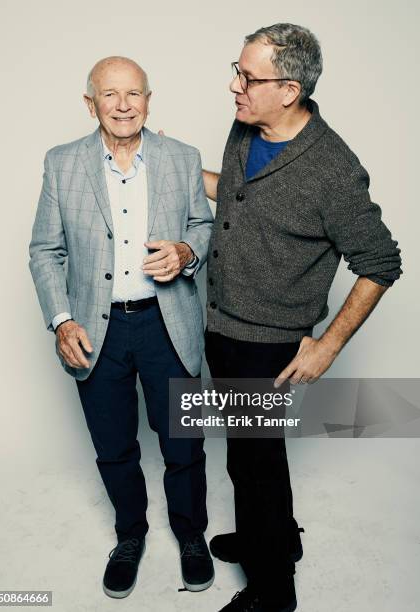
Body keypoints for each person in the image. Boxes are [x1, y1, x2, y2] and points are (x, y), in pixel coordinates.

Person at [202, 24, 402, 612]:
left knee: (255, 461)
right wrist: (172, 170)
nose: (233, 85)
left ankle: (272, 593)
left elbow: (380, 261)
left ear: (288, 89)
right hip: (223, 324)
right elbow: (240, 198)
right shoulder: (247, 129)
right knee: (251, 453)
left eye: (247, 76)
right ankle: (278, 541)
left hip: (268, 344)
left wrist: (329, 345)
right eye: (236, 69)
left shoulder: (333, 169)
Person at [29, 56, 214, 599]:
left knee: (184, 442)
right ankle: (130, 535)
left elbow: (203, 226)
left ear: (149, 100)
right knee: (113, 445)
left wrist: (186, 252)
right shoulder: (62, 163)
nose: (124, 104)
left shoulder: (183, 158)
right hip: (96, 330)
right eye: (111, 94)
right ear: (92, 104)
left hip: (167, 323)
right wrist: (62, 321)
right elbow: (45, 250)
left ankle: (191, 536)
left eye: (133, 93)